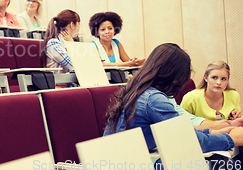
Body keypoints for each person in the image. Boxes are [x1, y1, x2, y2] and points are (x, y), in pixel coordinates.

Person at [104, 43, 243, 154]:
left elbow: (184, 132)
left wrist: (220, 131)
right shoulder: (154, 99)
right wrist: (232, 139)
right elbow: (189, 140)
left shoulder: (139, 90)